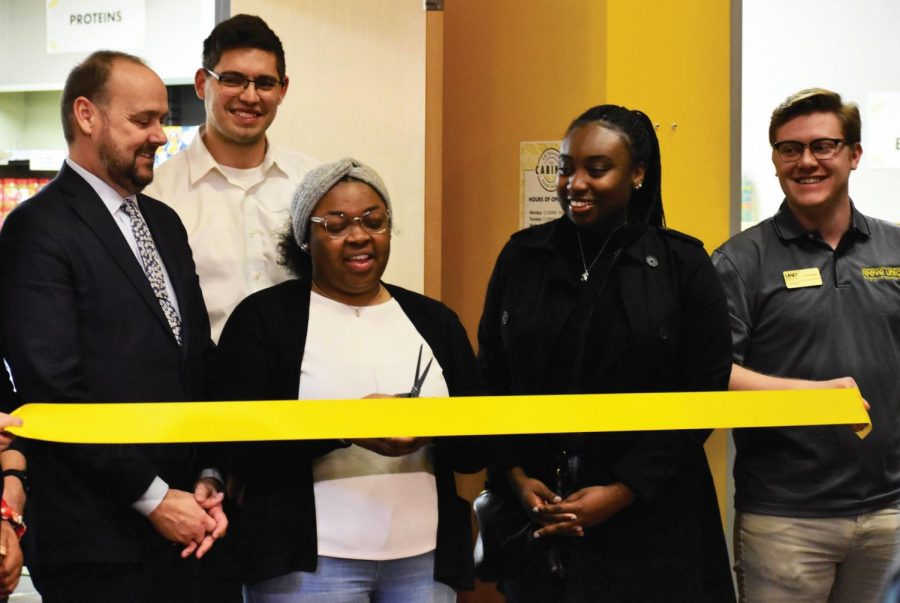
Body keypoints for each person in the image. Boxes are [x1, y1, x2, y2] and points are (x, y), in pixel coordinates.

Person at [477, 104, 735, 601]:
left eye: (596, 169)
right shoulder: (522, 256)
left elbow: (702, 393)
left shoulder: (681, 264)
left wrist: (621, 491)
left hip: (654, 515)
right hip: (540, 512)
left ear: (637, 174)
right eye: (566, 168)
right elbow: (492, 376)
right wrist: (515, 476)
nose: (575, 183)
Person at [0, 50, 225, 602]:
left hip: (192, 529)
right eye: (142, 120)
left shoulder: (165, 224)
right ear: (86, 115)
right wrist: (153, 498)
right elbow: (52, 389)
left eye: (162, 121)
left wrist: (210, 476)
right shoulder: (36, 229)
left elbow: (197, 360)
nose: (160, 136)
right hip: (97, 545)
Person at [208, 158, 485, 601]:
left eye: (373, 221)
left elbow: (476, 447)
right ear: (305, 237)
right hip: (305, 569)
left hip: (424, 564)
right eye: (336, 225)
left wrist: (432, 425)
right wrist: (345, 427)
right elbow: (238, 444)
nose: (358, 236)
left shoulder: (435, 321)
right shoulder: (263, 320)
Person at [712, 88, 900, 602]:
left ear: (854, 154)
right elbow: (712, 373)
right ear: (774, 159)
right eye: (789, 149)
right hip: (785, 517)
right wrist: (813, 397)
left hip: (890, 511)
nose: (806, 161)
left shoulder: (895, 249)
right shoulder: (738, 261)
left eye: (824, 146)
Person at [146, 14, 318, 343]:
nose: (250, 97)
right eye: (233, 79)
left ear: (282, 90)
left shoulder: (311, 185)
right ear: (201, 83)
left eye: (265, 83)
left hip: (302, 382)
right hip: (203, 386)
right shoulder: (156, 195)